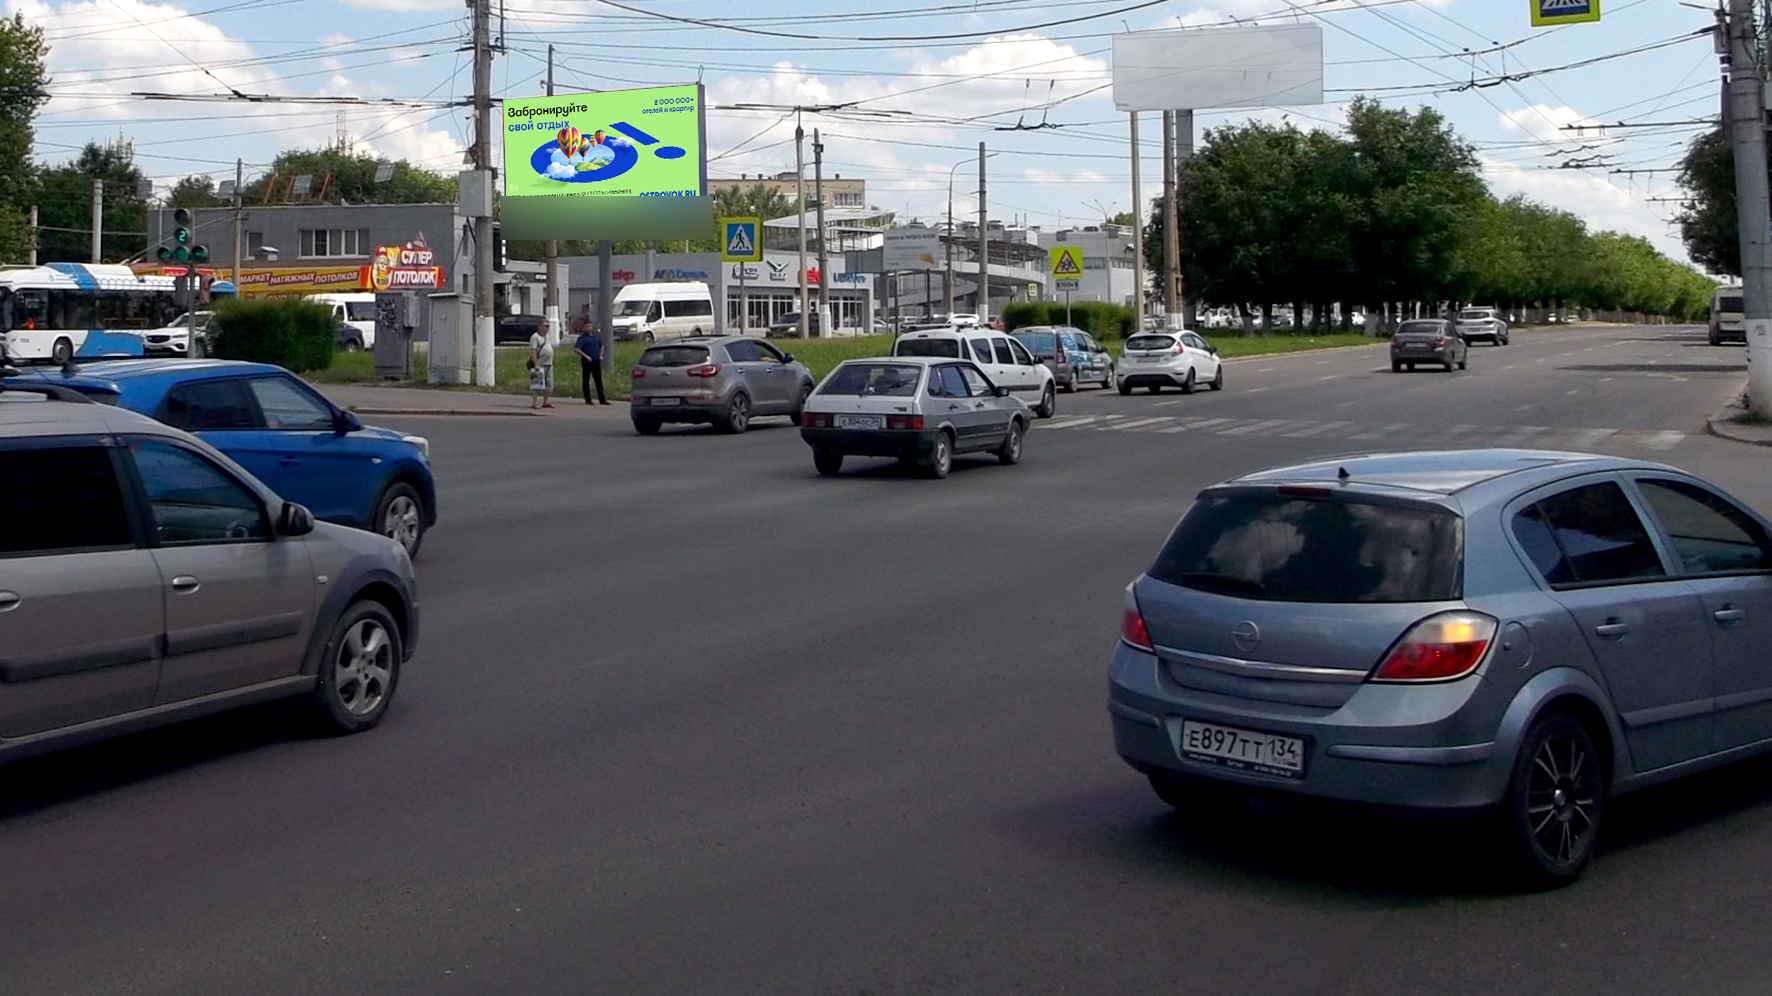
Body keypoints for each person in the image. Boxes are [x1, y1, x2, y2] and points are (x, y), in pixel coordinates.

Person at [574, 321, 607, 405]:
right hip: (587, 361)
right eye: (587, 327)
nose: (589, 328)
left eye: (590, 326)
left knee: (598, 380)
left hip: (596, 361)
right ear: (584, 328)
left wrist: (600, 355)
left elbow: (601, 346)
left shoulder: (596, 337)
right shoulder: (582, 338)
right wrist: (586, 356)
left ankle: (602, 399)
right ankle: (588, 399)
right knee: (586, 380)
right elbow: (577, 349)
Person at [528, 326, 555, 409]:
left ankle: (546, 401)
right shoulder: (535, 336)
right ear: (540, 326)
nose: (547, 328)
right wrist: (536, 363)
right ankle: (535, 403)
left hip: (549, 363)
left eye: (548, 326)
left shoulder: (547, 336)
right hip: (540, 363)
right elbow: (533, 350)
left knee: (549, 383)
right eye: (545, 326)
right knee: (537, 383)